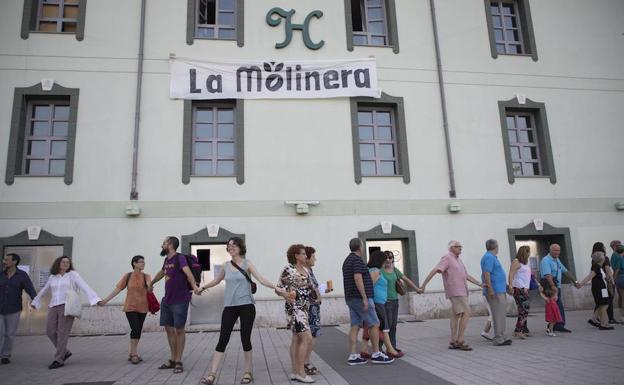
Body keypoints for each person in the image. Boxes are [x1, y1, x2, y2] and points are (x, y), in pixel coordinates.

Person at [198, 237, 289, 385]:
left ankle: (247, 372)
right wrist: (202, 288)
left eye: (234, 245)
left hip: (246, 306)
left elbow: (260, 279)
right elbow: (216, 281)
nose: (231, 247)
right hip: (229, 307)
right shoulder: (226, 266)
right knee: (223, 340)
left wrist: (276, 288)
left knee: (245, 339)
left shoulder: (247, 263)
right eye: (229, 245)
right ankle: (211, 375)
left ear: (240, 247)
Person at [31, 256, 101, 369]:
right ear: (58, 263)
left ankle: (59, 359)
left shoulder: (73, 275)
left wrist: (95, 299)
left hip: (67, 306)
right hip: (53, 305)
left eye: (68, 262)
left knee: (62, 334)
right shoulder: (53, 277)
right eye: (63, 262)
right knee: (50, 331)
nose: (66, 264)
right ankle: (65, 351)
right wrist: (35, 301)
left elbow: (84, 286)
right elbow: (45, 289)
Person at [148, 236, 200, 374]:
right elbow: (162, 272)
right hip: (167, 300)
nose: (162, 245)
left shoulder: (180, 258)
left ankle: (179, 360)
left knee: (179, 330)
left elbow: (188, 273)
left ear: (170, 244)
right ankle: (172, 358)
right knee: (169, 330)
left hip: (180, 300)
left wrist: (194, 286)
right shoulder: (167, 260)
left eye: (164, 243)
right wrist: (152, 282)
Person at [420, 241, 483, 351]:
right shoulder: (447, 258)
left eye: (461, 247)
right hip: (456, 290)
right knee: (467, 312)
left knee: (456, 315)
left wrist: (479, 283)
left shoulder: (458, 259)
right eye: (458, 247)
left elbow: (465, 275)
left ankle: (453, 341)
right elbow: (435, 270)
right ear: (452, 248)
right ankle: (460, 340)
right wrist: (424, 285)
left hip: (462, 290)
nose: (460, 249)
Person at [342, 238, 394, 365]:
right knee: (374, 324)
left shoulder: (347, 261)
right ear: (360, 247)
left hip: (350, 297)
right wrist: (365, 297)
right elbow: (358, 277)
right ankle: (376, 353)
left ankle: (353, 355)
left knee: (355, 325)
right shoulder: (358, 260)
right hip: (360, 298)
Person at [98, 255, 152, 364]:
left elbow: (150, 290)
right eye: (141, 262)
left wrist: (150, 286)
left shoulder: (147, 276)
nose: (143, 263)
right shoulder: (127, 276)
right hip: (130, 307)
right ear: (134, 264)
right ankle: (134, 354)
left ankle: (132, 353)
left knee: (138, 330)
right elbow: (118, 289)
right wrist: (105, 301)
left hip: (143, 307)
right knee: (135, 328)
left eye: (143, 262)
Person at [277, 244, 315, 383]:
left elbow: (309, 288)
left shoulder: (306, 269)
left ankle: (294, 372)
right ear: (296, 256)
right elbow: (278, 288)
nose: (306, 256)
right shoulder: (289, 269)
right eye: (303, 254)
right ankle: (301, 373)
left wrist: (322, 292)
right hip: (294, 308)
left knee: (297, 339)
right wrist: (286, 295)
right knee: (307, 338)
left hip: (305, 308)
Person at [380, 250, 422, 353]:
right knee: (386, 325)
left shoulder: (395, 270)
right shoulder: (380, 271)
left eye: (390, 257)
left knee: (393, 325)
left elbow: (406, 279)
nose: (388, 259)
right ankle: (379, 347)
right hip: (385, 302)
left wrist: (416, 289)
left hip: (395, 301)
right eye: (386, 257)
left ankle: (392, 347)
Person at [0, 253, 37, 364]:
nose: (4, 262)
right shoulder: (1, 274)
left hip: (14, 308)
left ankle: (5, 355)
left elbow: (30, 288)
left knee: (9, 333)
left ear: (14, 261)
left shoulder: (22, 275)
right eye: (4, 260)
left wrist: (34, 300)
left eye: (7, 260)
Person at [367, 251, 402, 358]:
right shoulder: (375, 271)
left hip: (380, 302)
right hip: (377, 303)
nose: (385, 261)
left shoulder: (375, 270)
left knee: (383, 327)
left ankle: (386, 349)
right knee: (384, 327)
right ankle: (386, 350)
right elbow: (369, 286)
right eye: (383, 259)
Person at [539, 243, 579, 333]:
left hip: (557, 286)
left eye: (558, 250)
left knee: (557, 306)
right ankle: (556, 325)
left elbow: (565, 271)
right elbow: (547, 275)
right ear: (550, 250)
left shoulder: (557, 260)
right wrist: (553, 287)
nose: (557, 252)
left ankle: (555, 325)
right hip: (550, 286)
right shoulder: (545, 260)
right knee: (554, 306)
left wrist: (575, 281)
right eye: (555, 250)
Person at [480, 239, 512, 346]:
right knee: (497, 314)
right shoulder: (489, 257)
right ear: (496, 247)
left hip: (500, 289)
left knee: (501, 314)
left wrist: (506, 287)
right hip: (495, 290)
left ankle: (502, 335)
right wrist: (490, 288)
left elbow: (497, 273)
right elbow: (486, 273)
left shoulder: (493, 257)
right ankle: (498, 338)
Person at [303, 246, 327, 377]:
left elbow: (312, 288)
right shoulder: (305, 271)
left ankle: (305, 361)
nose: (315, 259)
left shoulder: (308, 270)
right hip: (310, 308)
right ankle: (305, 362)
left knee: (312, 334)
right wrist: (317, 294)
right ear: (306, 258)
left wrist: (322, 291)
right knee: (312, 334)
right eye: (313, 256)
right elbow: (309, 289)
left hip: (313, 307)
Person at [576, 251, 614, 330]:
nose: (605, 257)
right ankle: (604, 324)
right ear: (601, 258)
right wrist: (581, 284)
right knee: (604, 305)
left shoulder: (599, 266)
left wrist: (607, 279)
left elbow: (597, 277)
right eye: (603, 255)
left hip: (601, 288)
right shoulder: (596, 267)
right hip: (599, 289)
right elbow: (589, 277)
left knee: (603, 305)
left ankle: (603, 322)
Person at [591, 242, 618, 324]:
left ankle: (596, 318)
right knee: (607, 301)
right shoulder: (604, 258)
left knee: (602, 301)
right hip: (606, 282)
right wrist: (612, 282)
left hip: (598, 282)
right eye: (603, 246)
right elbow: (608, 271)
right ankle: (609, 319)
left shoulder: (594, 258)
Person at [508, 245, 532, 338]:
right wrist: (510, 286)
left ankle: (523, 329)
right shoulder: (516, 262)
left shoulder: (526, 263)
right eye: (528, 252)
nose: (529, 254)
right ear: (524, 252)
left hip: (525, 288)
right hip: (518, 288)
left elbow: (530, 275)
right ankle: (518, 330)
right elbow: (511, 274)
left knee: (524, 309)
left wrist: (537, 284)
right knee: (524, 309)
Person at [611, 242, 624, 319]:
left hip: (619, 277)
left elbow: (615, 268)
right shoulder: (619, 257)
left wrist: (613, 279)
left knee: (621, 296)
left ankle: (622, 314)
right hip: (621, 276)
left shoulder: (615, 256)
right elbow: (617, 269)